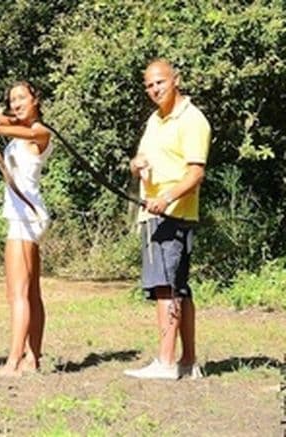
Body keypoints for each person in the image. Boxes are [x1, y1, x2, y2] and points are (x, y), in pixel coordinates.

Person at [124, 59, 210, 380]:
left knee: (166, 288)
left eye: (159, 82)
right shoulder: (155, 119)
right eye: (148, 85)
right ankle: (188, 362)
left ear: (176, 79)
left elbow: (196, 172)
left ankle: (165, 362)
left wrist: (167, 198)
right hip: (153, 214)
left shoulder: (191, 120)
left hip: (173, 215)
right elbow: (142, 159)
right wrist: (138, 164)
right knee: (179, 288)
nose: (154, 89)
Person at [0, 81, 52, 376]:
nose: (17, 103)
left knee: (17, 292)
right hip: (22, 214)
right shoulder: (15, 126)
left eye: (23, 97)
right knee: (30, 291)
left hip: (26, 215)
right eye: (13, 99)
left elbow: (28, 131)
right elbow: (1, 120)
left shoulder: (41, 132)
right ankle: (32, 358)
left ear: (36, 99)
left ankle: (14, 361)